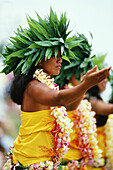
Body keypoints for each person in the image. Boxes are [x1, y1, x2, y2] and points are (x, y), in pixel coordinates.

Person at [1, 9, 111, 170]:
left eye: (61, 54)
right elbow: (60, 99)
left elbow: (69, 106)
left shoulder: (45, 86)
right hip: (29, 163)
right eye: (55, 54)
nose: (60, 60)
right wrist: (86, 84)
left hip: (48, 163)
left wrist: (83, 86)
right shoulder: (34, 87)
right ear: (39, 59)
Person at [53, 33, 103, 169]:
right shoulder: (60, 93)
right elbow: (69, 106)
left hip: (80, 162)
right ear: (70, 72)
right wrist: (84, 85)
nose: (83, 75)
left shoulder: (83, 96)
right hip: (64, 162)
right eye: (80, 71)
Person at [86, 55, 113, 170]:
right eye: (102, 78)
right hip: (91, 160)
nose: (106, 81)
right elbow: (106, 109)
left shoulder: (99, 98)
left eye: (106, 77)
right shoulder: (89, 100)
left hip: (101, 157)